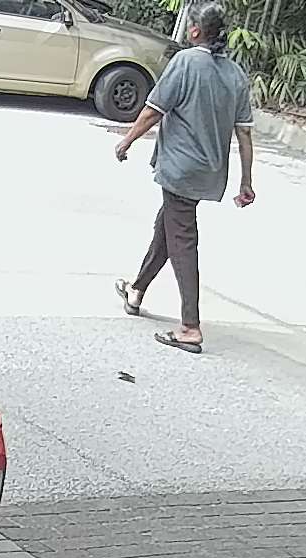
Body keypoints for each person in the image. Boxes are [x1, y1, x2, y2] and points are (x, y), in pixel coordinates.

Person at [113, 4, 255, 354]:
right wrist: (246, 181)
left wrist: (126, 140)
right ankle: (136, 290)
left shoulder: (186, 62)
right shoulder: (235, 74)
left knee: (183, 241)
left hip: (180, 169)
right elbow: (245, 133)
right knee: (168, 227)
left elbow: (153, 111)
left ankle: (190, 327)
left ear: (194, 31)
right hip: (209, 172)